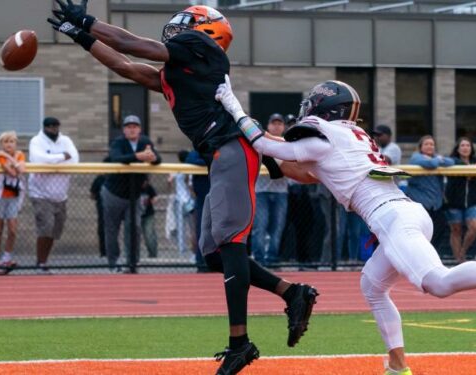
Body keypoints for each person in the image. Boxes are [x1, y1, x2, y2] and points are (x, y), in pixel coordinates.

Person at [216, 76, 476, 375]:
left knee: (437, 283)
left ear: (326, 108)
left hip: (393, 220)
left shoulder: (324, 136)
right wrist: (268, 156)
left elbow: (263, 143)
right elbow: (304, 174)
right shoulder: (348, 136)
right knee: (372, 285)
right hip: (406, 215)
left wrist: (233, 106)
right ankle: (397, 364)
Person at [47, 4, 318, 372]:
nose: (177, 29)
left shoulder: (203, 49)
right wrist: (83, 37)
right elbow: (126, 66)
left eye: (187, 23)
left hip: (233, 149)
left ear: (207, 31)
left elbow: (133, 44)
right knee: (213, 253)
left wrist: (87, 21)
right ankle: (292, 292)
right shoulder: (184, 70)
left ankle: (240, 342)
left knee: (230, 243)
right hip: (220, 155)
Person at [102, 115, 161, 271]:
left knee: (134, 229)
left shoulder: (145, 142)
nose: (132, 129)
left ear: (140, 129)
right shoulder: (118, 142)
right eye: (128, 126)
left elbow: (157, 159)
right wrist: (138, 156)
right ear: (124, 130)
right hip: (113, 193)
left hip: (134, 195)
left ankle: (132, 263)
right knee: (111, 229)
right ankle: (113, 263)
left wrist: (153, 157)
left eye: (135, 126)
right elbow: (115, 158)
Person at [29, 117, 79, 275]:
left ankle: (44, 261)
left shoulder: (66, 140)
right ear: (44, 127)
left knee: (55, 230)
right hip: (40, 192)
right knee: (46, 227)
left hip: (60, 194)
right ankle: (40, 262)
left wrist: (53, 160)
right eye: (50, 127)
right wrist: (62, 157)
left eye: (56, 126)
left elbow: (75, 159)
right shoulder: (37, 141)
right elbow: (39, 160)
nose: (53, 129)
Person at [251, 114, 289, 266]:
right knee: (260, 226)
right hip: (261, 191)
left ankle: (272, 259)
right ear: (268, 126)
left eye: (280, 123)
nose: (277, 126)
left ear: (284, 127)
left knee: (277, 228)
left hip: (281, 192)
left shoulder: (288, 143)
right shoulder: (259, 142)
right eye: (274, 123)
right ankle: (259, 259)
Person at [405, 135, 454, 251]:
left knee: (441, 227)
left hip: (436, 204)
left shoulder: (436, 158)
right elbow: (431, 164)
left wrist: (437, 159)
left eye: (432, 144)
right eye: (426, 144)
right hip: (419, 202)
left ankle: (432, 253)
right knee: (420, 232)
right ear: (420, 147)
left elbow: (450, 161)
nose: (429, 146)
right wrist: (437, 160)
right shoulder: (415, 157)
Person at [0, 131, 27, 275]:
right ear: (1, 144)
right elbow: (11, 172)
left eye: (11, 141)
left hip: (13, 197)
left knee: (12, 230)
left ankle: (6, 257)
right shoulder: (0, 156)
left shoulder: (20, 154)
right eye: (5, 142)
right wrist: (7, 157)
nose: (9, 144)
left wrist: (10, 158)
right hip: (0, 197)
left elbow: (21, 170)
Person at [444, 137, 476, 263]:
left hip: (471, 202)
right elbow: (451, 162)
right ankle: (458, 260)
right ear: (458, 149)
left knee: (475, 227)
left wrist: (475, 168)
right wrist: (470, 170)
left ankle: (463, 251)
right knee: (456, 230)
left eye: (468, 145)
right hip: (454, 201)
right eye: (462, 146)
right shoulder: (453, 161)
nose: (465, 148)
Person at [168, 150, 194, 259]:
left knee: (181, 226)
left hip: (180, 199)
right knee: (192, 226)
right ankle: (190, 251)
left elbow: (169, 181)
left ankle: (181, 249)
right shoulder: (190, 168)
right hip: (189, 200)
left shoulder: (177, 169)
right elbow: (190, 185)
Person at [90, 157, 110, 258]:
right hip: (105, 207)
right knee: (107, 229)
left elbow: (92, 195)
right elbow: (92, 194)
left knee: (104, 229)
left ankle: (105, 252)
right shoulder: (100, 179)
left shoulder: (100, 179)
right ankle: (107, 251)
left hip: (103, 206)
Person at [139, 180, 158, 258]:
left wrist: (152, 201)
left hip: (148, 215)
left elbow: (155, 197)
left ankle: (153, 253)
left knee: (149, 234)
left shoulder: (148, 188)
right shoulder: (135, 187)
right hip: (138, 215)